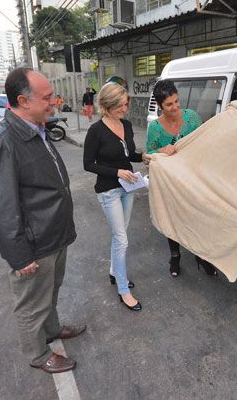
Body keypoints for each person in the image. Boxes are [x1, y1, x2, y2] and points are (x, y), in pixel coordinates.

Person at [0, 68, 85, 374]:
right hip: (35, 245)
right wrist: (19, 255)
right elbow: (0, 207)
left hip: (53, 235)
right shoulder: (2, 143)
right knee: (31, 302)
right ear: (23, 101)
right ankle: (38, 354)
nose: (54, 102)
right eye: (47, 97)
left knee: (50, 290)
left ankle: (52, 330)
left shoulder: (35, 128)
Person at [83, 83, 151, 311]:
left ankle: (114, 271)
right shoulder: (96, 131)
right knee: (121, 239)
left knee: (119, 235)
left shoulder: (127, 125)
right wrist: (116, 172)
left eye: (126, 104)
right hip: (109, 190)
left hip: (128, 187)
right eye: (120, 105)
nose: (125, 109)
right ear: (107, 105)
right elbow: (88, 164)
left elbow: (128, 154)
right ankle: (123, 289)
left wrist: (143, 156)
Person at [146, 79, 216, 277]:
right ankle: (175, 256)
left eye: (177, 101)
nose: (175, 107)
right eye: (169, 104)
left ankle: (201, 256)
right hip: (172, 183)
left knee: (198, 218)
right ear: (160, 106)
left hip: (195, 178)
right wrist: (161, 149)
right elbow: (150, 155)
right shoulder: (155, 129)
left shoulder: (192, 118)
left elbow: (206, 140)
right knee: (174, 219)